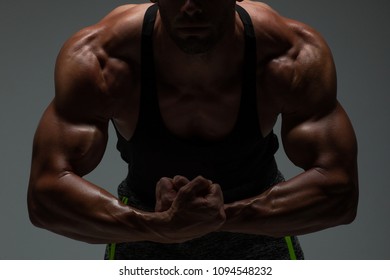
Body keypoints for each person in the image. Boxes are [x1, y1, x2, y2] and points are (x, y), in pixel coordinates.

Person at [27, 0, 359, 260]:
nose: (191, 6)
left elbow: (339, 192)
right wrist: (156, 226)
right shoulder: (101, 58)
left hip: (261, 231)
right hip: (143, 236)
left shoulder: (290, 55)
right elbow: (45, 196)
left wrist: (219, 217)